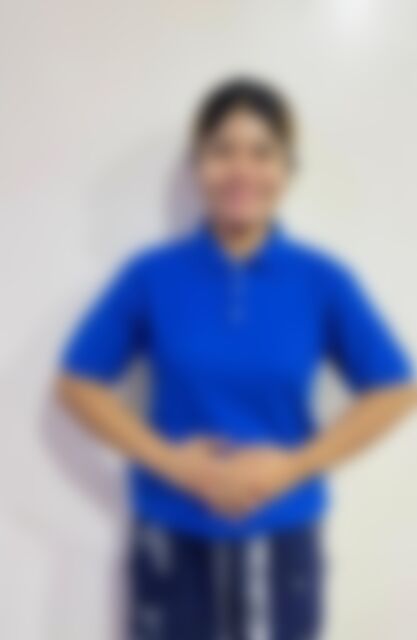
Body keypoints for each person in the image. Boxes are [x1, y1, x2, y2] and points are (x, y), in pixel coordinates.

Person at [57, 77, 415, 640]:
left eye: (261, 152)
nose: (241, 169)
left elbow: (395, 387)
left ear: (286, 169)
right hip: (172, 535)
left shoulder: (320, 279)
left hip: (282, 539)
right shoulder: (152, 275)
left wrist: (292, 466)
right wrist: (175, 464)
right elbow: (78, 383)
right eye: (222, 151)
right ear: (198, 166)